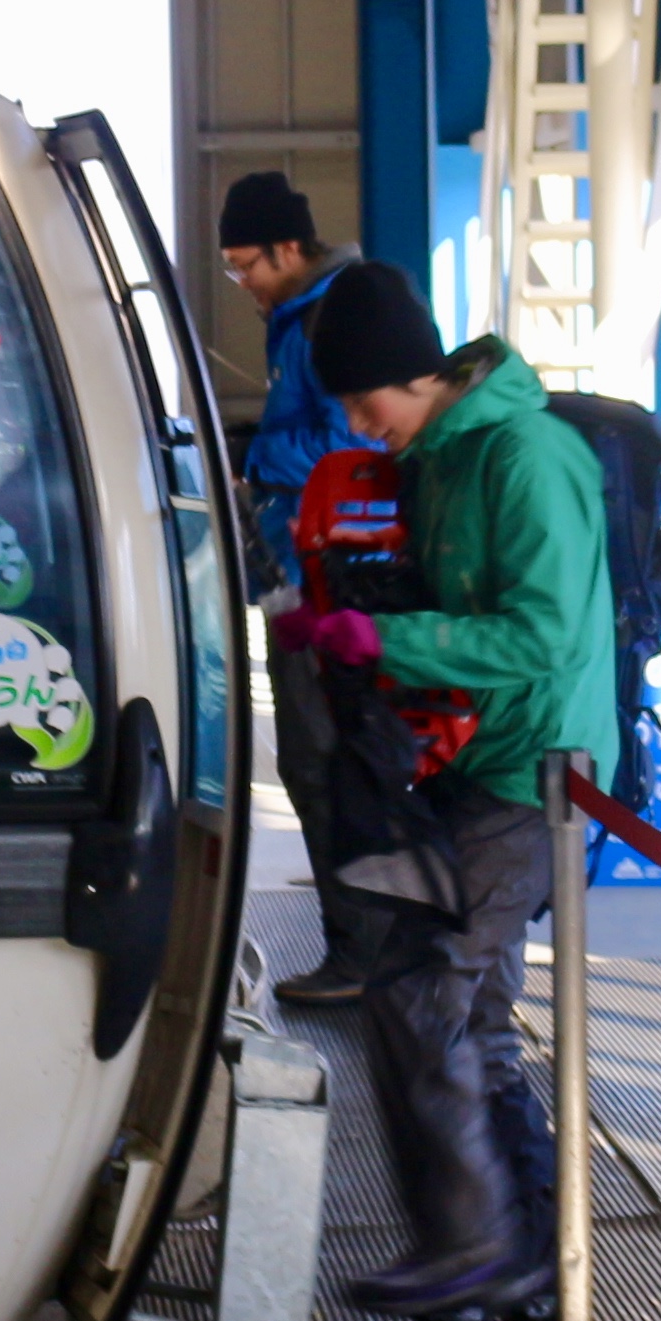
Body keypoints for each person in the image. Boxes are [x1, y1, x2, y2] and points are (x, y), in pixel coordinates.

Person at [281, 264, 612, 1321]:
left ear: (415, 375)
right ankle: (528, 1251)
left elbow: (544, 634)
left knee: (420, 989)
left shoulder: (526, 456)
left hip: (537, 768)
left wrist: (388, 638)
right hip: (470, 760)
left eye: (361, 396)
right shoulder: (432, 458)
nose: (354, 421)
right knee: (474, 1010)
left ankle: (473, 1245)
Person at [221, 171, 388, 1004]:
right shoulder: (297, 319)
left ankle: (366, 955)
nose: (242, 283)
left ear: (289, 248)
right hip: (299, 573)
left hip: (337, 583)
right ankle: (360, 947)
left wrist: (249, 459)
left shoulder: (335, 316)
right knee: (313, 763)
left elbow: (350, 444)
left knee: (329, 764)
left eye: (246, 265)